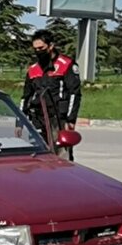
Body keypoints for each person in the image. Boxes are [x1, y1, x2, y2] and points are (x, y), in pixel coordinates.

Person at [23, 29, 82, 160]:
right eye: (35, 49)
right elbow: (26, 96)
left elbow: (74, 93)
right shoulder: (33, 69)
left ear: (51, 46)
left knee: (61, 156)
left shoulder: (66, 65)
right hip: (37, 118)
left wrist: (70, 119)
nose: (38, 51)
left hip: (58, 118)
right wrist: (20, 121)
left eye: (41, 48)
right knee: (37, 156)